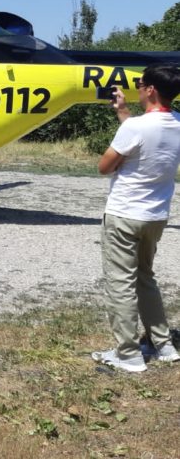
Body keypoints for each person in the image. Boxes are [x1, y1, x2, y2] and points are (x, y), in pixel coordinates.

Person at [91, 64, 180, 372]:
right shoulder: (176, 122)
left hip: (125, 213)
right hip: (156, 216)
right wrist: (123, 113)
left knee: (120, 283)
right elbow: (149, 136)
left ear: (151, 89)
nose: (137, 89)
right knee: (145, 277)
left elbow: (104, 167)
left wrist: (125, 124)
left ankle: (128, 354)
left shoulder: (136, 127)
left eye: (140, 84)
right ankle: (163, 344)